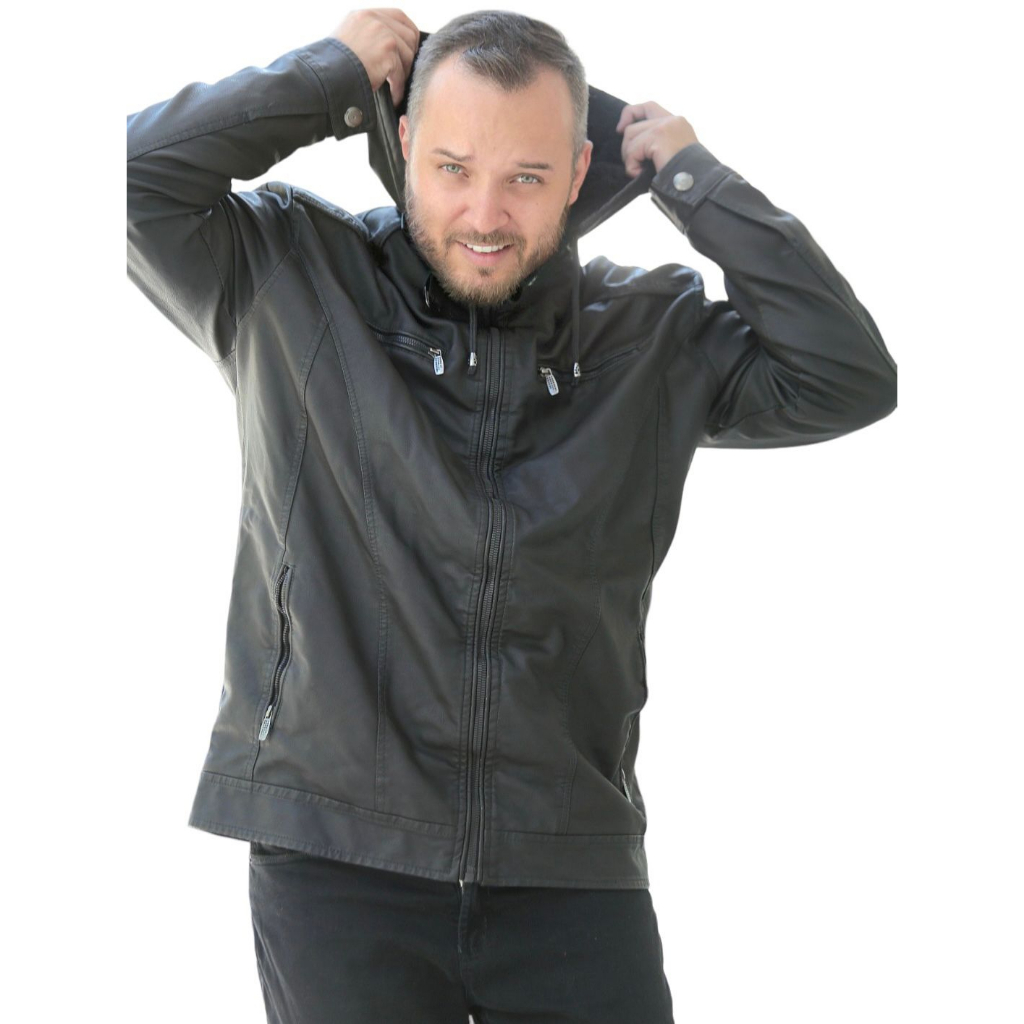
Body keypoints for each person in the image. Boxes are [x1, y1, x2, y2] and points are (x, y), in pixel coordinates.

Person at [127, 8, 897, 1022]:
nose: (483, 214)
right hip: (339, 862)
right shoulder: (290, 277)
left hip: (568, 866)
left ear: (577, 175)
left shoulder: (649, 336)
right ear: (404, 142)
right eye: (453, 167)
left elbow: (845, 374)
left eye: (525, 178)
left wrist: (690, 179)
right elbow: (123, 181)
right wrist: (327, 76)